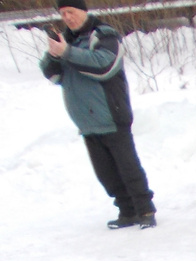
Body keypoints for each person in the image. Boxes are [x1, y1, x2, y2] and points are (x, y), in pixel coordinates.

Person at [40, 0, 157, 230]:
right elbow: (53, 75)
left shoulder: (104, 35)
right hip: (86, 121)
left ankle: (145, 210)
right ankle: (127, 211)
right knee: (106, 174)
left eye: (71, 12)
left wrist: (67, 53)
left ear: (83, 11)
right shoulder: (68, 42)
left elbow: (104, 65)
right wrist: (55, 55)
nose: (67, 18)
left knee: (128, 167)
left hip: (110, 115)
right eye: (63, 14)